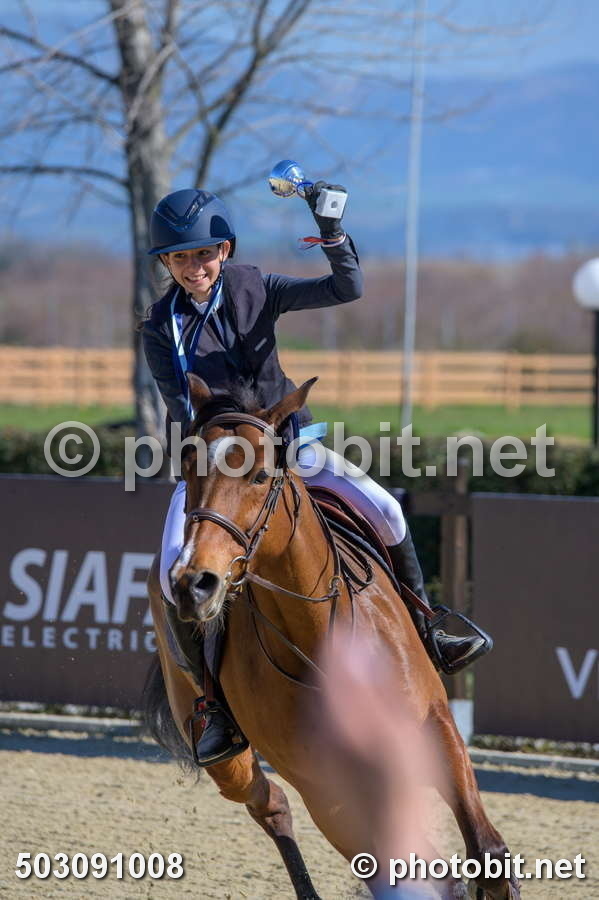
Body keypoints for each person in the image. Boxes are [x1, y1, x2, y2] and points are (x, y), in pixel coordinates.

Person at [142, 184, 490, 766]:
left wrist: (332, 233)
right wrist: (223, 454)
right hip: (217, 466)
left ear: (224, 251)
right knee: (169, 567)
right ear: (166, 263)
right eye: (180, 258)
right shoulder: (161, 326)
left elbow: (345, 288)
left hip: (290, 444)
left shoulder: (257, 287)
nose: (193, 267)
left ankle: (429, 628)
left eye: (203, 254)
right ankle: (214, 707)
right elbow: (182, 408)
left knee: (386, 508)